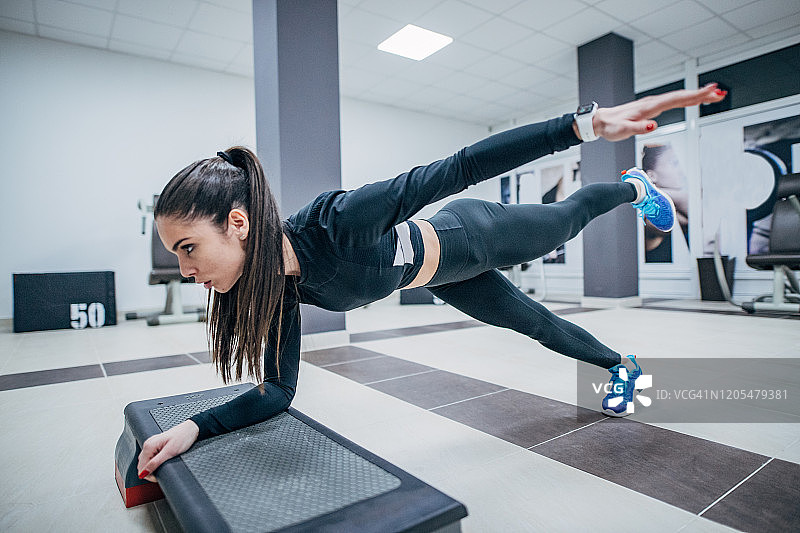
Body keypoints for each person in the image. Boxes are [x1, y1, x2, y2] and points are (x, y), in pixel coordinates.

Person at [137, 84, 727, 482]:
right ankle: (622, 366)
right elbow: (277, 391)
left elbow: (459, 167)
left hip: (472, 234)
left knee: (567, 218)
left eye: (188, 248)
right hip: (448, 278)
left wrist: (580, 126)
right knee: (535, 324)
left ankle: (631, 188)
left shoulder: (333, 222)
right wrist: (195, 427)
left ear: (237, 224)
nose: (185, 270)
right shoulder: (278, 289)